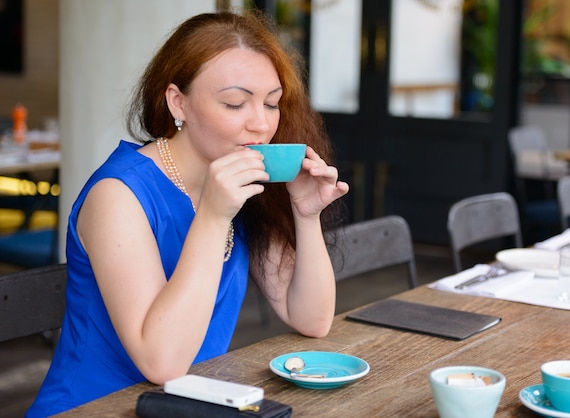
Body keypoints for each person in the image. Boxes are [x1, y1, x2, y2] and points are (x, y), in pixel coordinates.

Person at [27, 11, 349, 416]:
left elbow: (312, 318)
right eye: (235, 103)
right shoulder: (118, 195)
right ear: (178, 102)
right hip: (93, 408)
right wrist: (213, 217)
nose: (261, 125)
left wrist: (305, 214)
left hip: (189, 405)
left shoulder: (241, 183)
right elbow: (162, 363)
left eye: (272, 103)